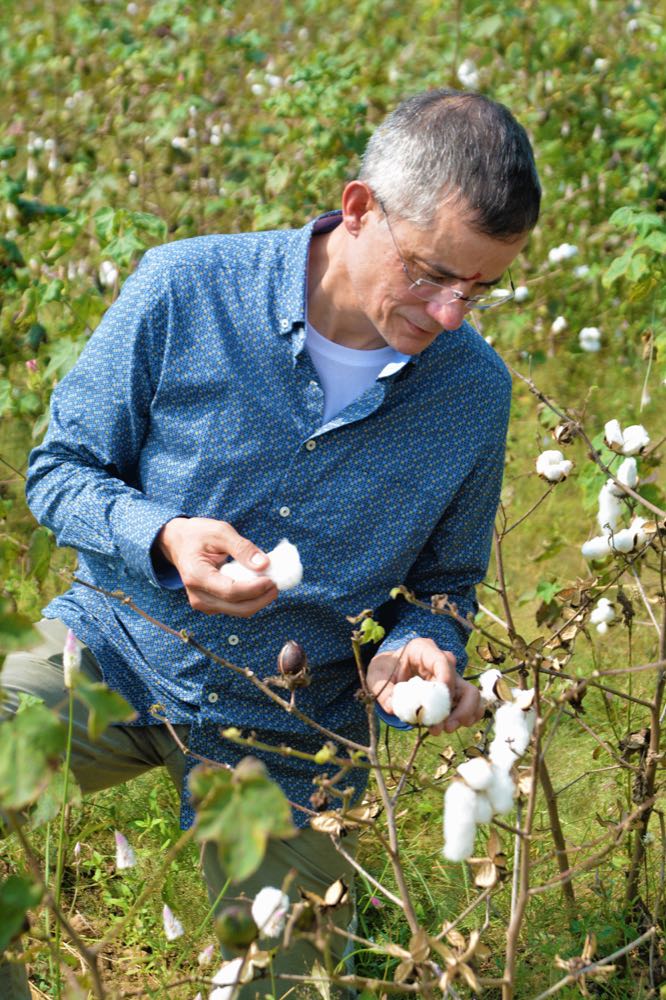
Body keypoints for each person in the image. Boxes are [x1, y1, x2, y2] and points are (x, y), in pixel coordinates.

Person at [1, 88, 540, 997]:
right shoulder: (185, 288)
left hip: (295, 732)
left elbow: (446, 583)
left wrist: (422, 651)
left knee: (288, 987)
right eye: (430, 273)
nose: (452, 312)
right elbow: (60, 469)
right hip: (115, 649)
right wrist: (162, 535)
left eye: (480, 289)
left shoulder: (474, 394)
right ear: (359, 206)